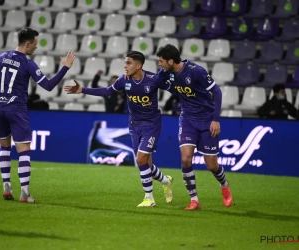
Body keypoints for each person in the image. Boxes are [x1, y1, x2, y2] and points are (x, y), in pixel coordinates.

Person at [64, 51, 173, 207]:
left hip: (151, 125)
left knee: (140, 159)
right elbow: (107, 91)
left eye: (129, 63)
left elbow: (174, 89)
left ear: (138, 65)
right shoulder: (124, 80)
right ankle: (165, 180)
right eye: (125, 62)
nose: (125, 66)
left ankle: (149, 198)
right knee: (145, 164)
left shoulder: (153, 80)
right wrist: (83, 90)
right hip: (135, 125)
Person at [0, 27, 75, 203]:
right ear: (27, 44)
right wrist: (64, 68)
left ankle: (6, 187)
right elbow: (48, 86)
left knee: (3, 146)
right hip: (16, 109)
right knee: (23, 150)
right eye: (34, 44)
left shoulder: (1, 57)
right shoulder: (28, 63)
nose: (36, 47)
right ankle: (25, 193)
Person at [156, 44, 233, 211]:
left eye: (161, 61)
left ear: (170, 61)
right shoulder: (166, 73)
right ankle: (194, 200)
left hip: (207, 120)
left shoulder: (196, 71)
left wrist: (216, 120)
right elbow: (155, 82)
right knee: (185, 158)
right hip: (187, 120)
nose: (159, 64)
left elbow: (217, 92)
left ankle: (224, 185)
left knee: (211, 165)